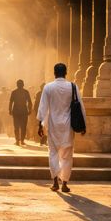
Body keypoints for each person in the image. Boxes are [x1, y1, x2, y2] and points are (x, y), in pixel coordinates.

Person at [37, 63, 86, 193]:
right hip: (68, 126)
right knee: (67, 156)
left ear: (54, 73)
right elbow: (80, 107)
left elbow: (43, 108)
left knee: (53, 153)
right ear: (66, 72)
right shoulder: (73, 87)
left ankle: (54, 182)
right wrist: (83, 125)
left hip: (53, 125)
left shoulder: (48, 87)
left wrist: (40, 126)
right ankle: (64, 183)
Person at [9, 80, 33, 146]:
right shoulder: (26, 92)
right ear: (23, 85)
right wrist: (29, 110)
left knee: (16, 126)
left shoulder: (14, 92)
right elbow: (30, 102)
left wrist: (10, 110)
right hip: (24, 111)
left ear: (17, 85)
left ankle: (17, 140)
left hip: (16, 111)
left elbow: (11, 102)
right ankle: (22, 140)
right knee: (23, 126)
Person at [33, 82, 47, 146]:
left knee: (41, 126)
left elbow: (36, 104)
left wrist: (36, 112)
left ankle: (41, 139)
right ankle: (42, 140)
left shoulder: (38, 94)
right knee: (44, 127)